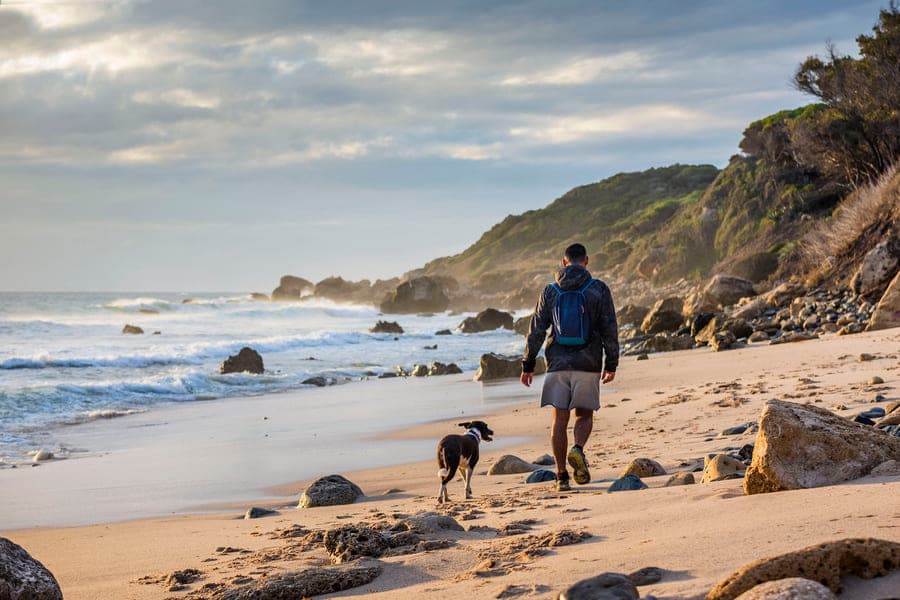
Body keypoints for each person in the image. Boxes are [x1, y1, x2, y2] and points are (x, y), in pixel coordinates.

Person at [521, 243, 619, 491]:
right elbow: (609, 328)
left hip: (557, 363)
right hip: (588, 362)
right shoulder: (598, 289)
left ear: (564, 262)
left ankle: (562, 476)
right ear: (586, 261)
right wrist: (612, 363)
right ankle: (578, 449)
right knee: (584, 415)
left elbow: (536, 330)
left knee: (559, 420)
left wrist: (528, 363)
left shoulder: (550, 291)